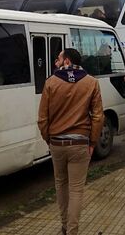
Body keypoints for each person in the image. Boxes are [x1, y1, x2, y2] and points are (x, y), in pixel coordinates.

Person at [38, 48, 104, 235]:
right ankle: (72, 231)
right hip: (80, 143)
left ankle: (65, 226)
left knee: (61, 185)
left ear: (66, 60)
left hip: (57, 143)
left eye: (58, 58)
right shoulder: (91, 82)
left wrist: (48, 139)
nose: (55, 62)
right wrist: (92, 142)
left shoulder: (51, 83)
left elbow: (43, 118)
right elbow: (98, 117)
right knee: (76, 190)